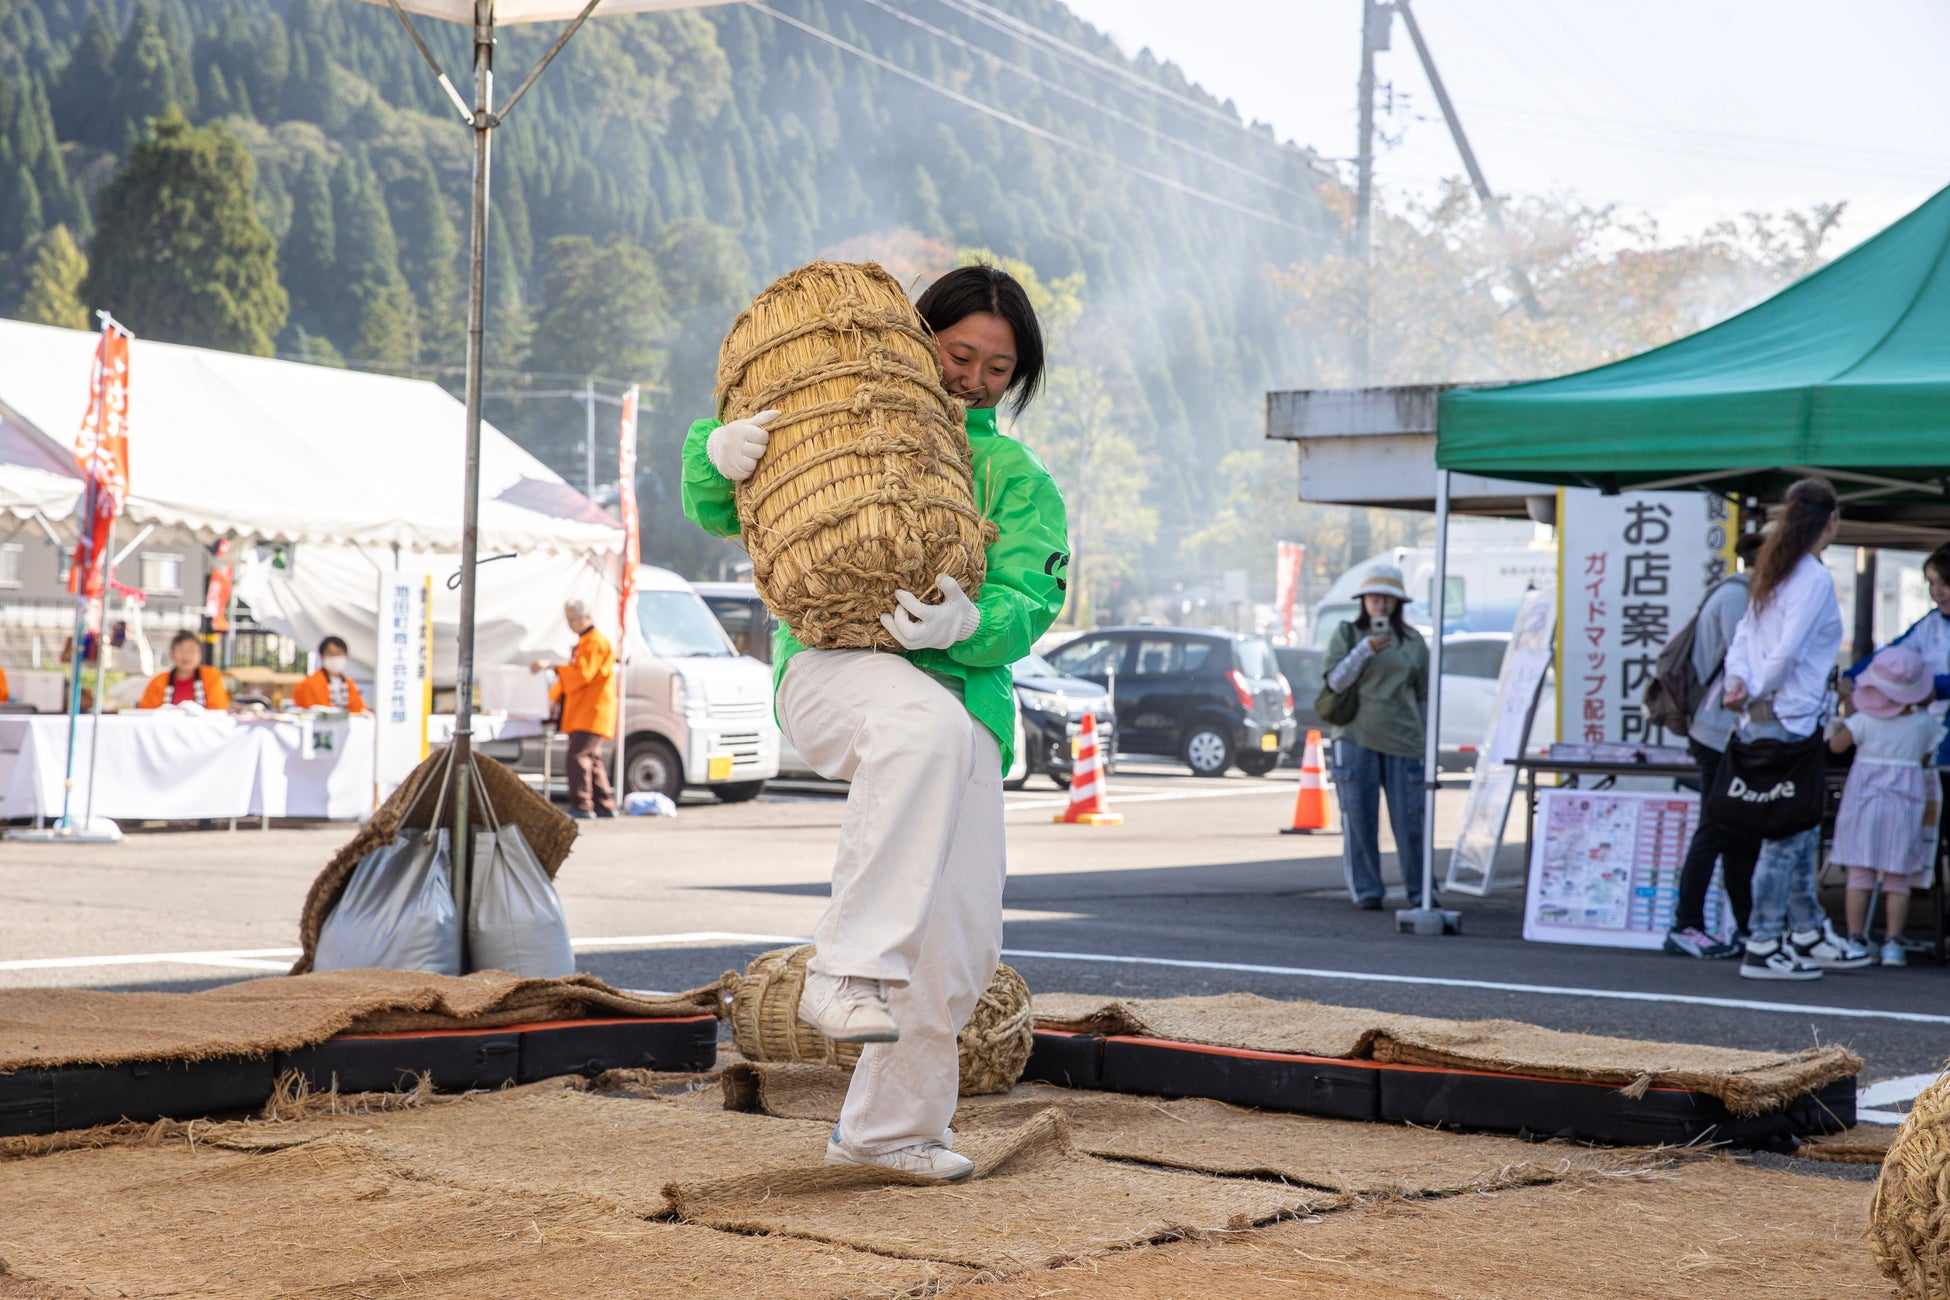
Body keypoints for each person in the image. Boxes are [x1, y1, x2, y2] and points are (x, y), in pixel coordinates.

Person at [681, 264, 1068, 1182]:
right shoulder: (850, 418)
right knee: (916, 730)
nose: (972, 377)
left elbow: (1032, 590)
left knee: (961, 947)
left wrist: (975, 625)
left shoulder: (1011, 473)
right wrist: (713, 452)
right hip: (832, 668)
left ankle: (888, 1131)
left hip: (965, 697)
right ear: (916, 332)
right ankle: (845, 971)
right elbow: (719, 505)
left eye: (997, 368)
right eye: (959, 352)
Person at [1722, 478, 1870, 981]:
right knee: (1786, 837)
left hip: (1760, 718)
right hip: (1791, 719)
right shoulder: (1810, 577)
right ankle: (1764, 941)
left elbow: (1745, 637)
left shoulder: (1774, 570)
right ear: (1830, 522)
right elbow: (1786, 649)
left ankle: (1806, 929)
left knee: (1801, 827)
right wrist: (1757, 684)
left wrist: (1740, 682)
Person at [1664, 530, 1768, 960]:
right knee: (1717, 827)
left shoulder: (1741, 594)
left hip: (1725, 732)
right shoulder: (1737, 598)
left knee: (1738, 830)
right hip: (1717, 731)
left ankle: (1746, 926)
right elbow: (1746, 671)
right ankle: (1686, 924)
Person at [1322, 565, 1432, 910]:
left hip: (1405, 740)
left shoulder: (1413, 642)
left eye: (1386, 598)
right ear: (1363, 601)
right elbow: (1335, 682)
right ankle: (1367, 891)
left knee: (1411, 821)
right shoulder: (1347, 634)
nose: (1379, 605)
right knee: (1358, 819)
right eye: (1373, 598)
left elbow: (1423, 695)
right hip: (1355, 736)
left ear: (1398, 603)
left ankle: (1421, 892)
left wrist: (1427, 743)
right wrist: (1365, 650)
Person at [1828, 646, 1939, 967]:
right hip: (1906, 804)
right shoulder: (1924, 724)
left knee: (1860, 874)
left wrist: (1844, 715)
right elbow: (1925, 758)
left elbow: (1835, 746)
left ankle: (1856, 938)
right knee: (1897, 878)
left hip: (1863, 802)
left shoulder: (1863, 721)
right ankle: (1892, 943)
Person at [530, 600, 617, 820]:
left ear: (585, 617)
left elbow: (581, 675)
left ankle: (583, 804)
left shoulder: (594, 642)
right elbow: (575, 675)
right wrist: (552, 696)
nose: (570, 624)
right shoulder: (586, 642)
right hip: (587, 711)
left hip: (592, 712)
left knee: (578, 757)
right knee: (592, 758)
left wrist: (552, 666)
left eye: (572, 619)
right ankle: (604, 804)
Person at [138, 631, 230, 710]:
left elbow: (218, 710)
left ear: (200, 655)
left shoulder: (211, 676)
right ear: (172, 654)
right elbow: (147, 713)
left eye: (191, 650)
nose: (186, 655)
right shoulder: (158, 681)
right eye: (181, 650)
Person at [292, 637, 367, 712]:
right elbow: (320, 712)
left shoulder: (349, 684)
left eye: (339, 653)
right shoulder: (311, 683)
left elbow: (359, 710)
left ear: (346, 656)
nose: (335, 657)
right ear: (322, 657)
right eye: (330, 654)